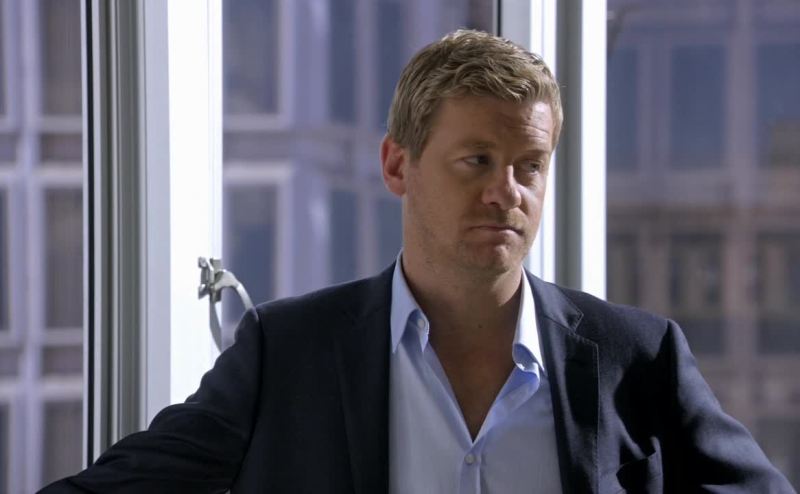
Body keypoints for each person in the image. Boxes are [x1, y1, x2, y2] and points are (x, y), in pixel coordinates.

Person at [41, 29, 794, 494]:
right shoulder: (287, 354)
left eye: (529, 166)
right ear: (398, 166)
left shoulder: (638, 359)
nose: (507, 191)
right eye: (477, 160)